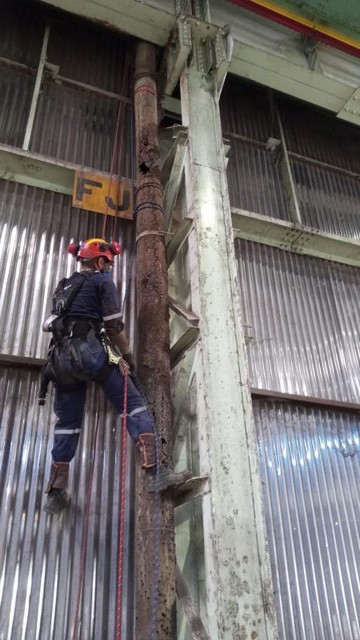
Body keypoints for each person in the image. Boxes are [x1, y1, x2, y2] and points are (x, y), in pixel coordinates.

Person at [42, 238, 190, 514]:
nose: (109, 268)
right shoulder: (101, 282)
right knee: (133, 405)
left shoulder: (64, 285)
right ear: (99, 261)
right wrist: (127, 356)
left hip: (60, 362)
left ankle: (55, 492)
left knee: (67, 424)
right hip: (89, 355)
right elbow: (113, 326)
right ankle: (155, 472)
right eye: (107, 263)